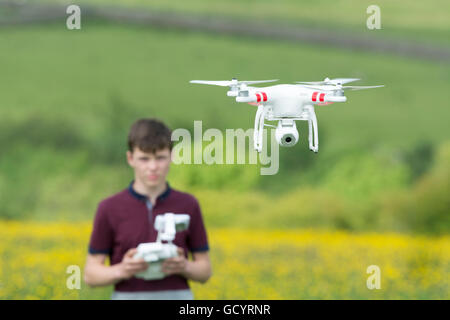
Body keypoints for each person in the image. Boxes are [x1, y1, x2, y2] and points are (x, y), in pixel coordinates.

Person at [83, 118, 212, 300]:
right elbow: (91, 275)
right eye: (144, 159)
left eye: (160, 158)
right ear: (130, 158)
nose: (153, 167)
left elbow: (205, 271)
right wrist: (123, 269)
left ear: (172, 156)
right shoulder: (109, 208)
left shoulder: (188, 204)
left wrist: (184, 266)